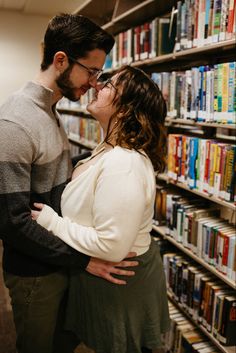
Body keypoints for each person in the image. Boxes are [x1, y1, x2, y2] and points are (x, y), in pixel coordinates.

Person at [0, 14, 138, 353]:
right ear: (60, 60)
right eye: (90, 71)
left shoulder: (49, 110)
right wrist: (84, 260)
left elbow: (50, 176)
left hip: (58, 262)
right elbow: (11, 221)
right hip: (36, 274)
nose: (94, 83)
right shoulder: (16, 123)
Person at [32, 65, 171, 353]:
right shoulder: (106, 149)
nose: (97, 85)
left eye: (109, 84)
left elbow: (111, 246)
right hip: (102, 279)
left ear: (126, 107)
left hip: (120, 281)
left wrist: (53, 222)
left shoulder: (124, 164)